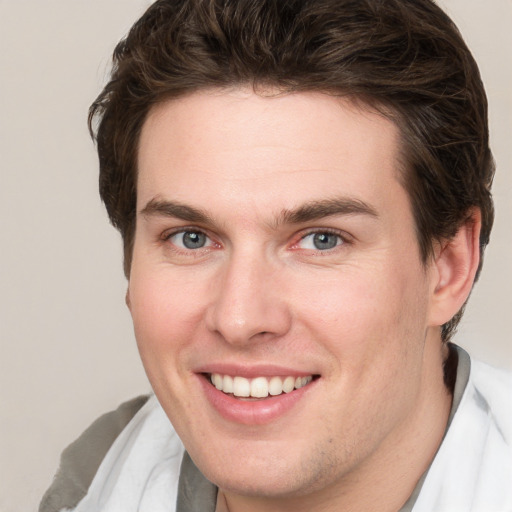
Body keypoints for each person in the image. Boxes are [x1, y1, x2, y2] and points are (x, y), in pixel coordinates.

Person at [40, 0, 512, 511]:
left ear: (449, 267)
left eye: (321, 239)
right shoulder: (96, 475)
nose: (240, 319)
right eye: (191, 238)